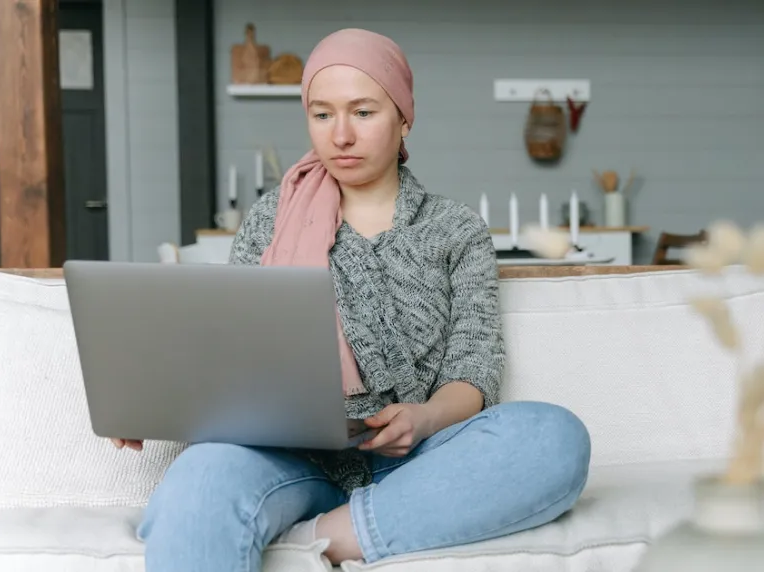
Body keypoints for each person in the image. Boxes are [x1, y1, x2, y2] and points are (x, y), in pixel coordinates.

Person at [114, 28, 592, 570]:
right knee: (201, 476)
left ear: (404, 117)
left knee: (554, 438)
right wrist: (158, 404)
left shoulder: (456, 230)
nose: (340, 135)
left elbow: (473, 369)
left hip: (424, 461)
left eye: (363, 113)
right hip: (289, 457)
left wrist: (427, 416)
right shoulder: (271, 219)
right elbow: (231, 355)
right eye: (322, 115)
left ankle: (332, 534)